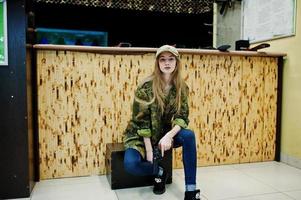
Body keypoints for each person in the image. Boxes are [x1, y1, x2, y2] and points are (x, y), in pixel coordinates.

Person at [123, 45, 200, 200]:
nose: (167, 63)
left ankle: (191, 190)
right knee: (130, 165)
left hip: (164, 133)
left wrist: (169, 136)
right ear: (157, 63)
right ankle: (160, 172)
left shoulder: (182, 88)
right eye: (163, 59)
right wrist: (150, 151)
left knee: (189, 135)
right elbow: (141, 121)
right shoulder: (145, 87)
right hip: (140, 135)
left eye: (171, 59)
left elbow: (182, 117)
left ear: (177, 63)